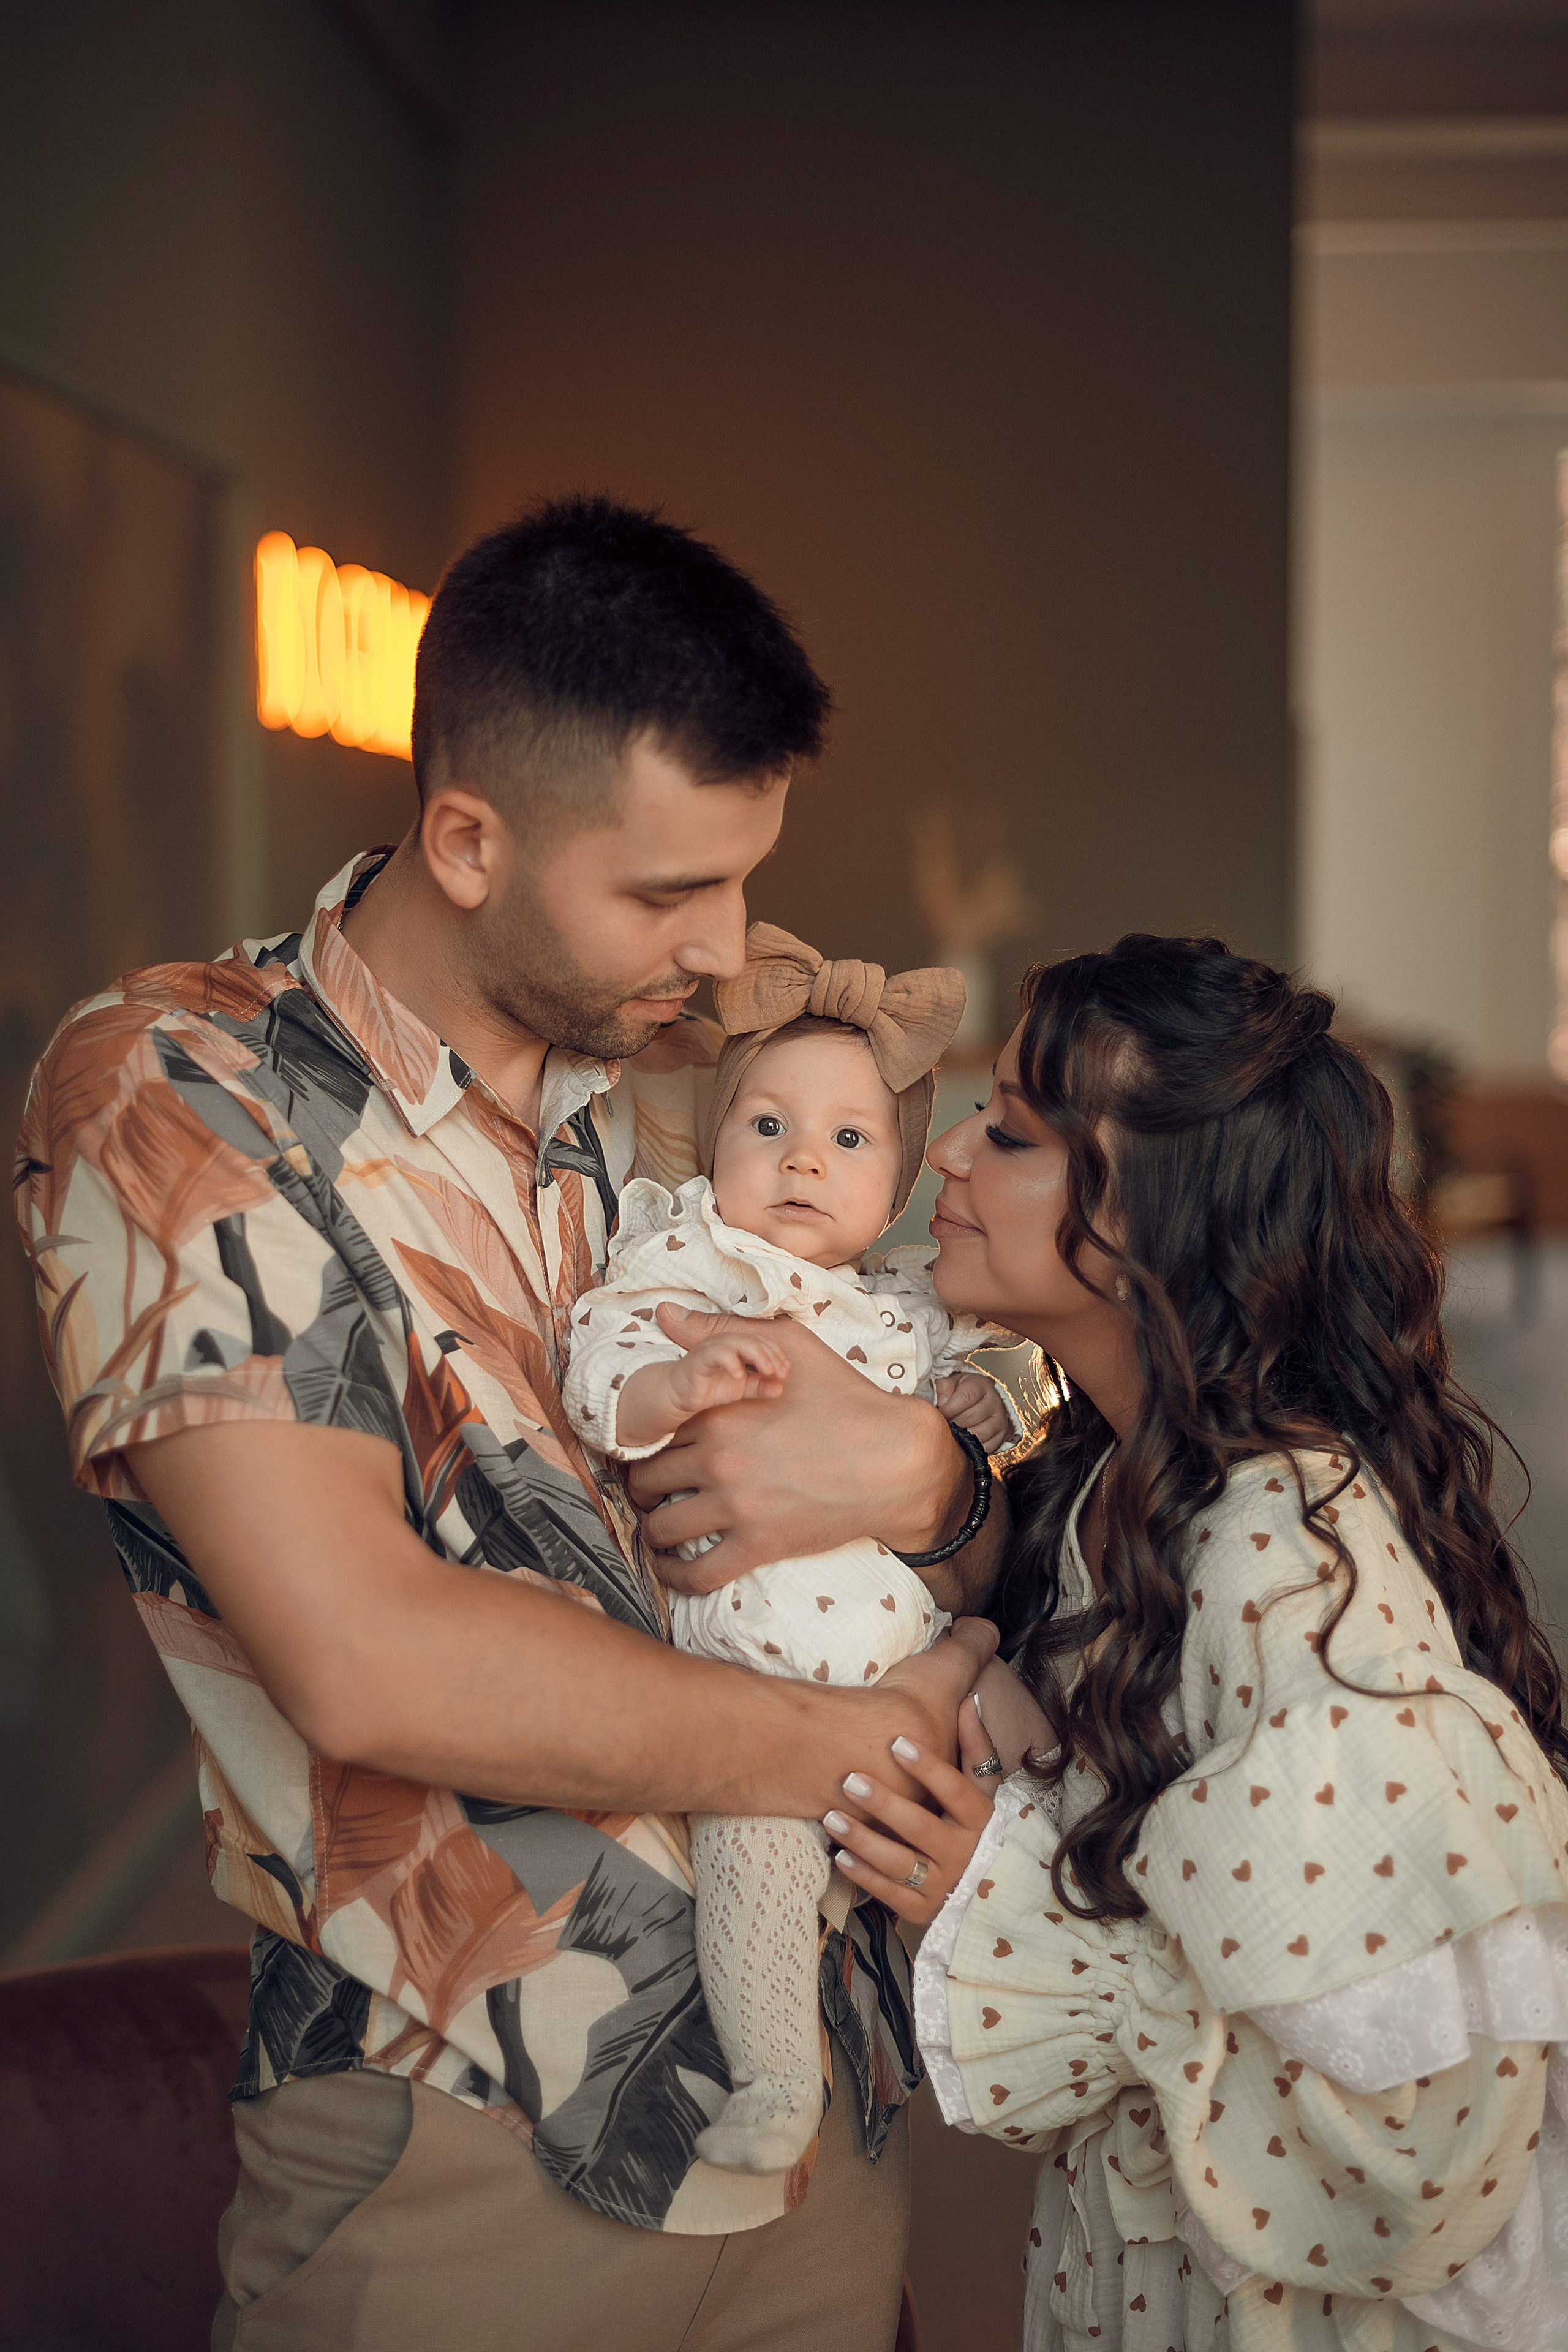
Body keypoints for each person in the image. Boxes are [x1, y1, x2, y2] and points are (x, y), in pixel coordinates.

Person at [14, 495, 1001, 2352]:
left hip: (823, 2101)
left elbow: (970, 1442)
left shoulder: (709, 1102)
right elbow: (367, 1656)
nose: (726, 954)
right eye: (664, 891)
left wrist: (927, 1466)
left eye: (743, 880)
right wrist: (856, 1742)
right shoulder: (184, 1092)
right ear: (465, 839)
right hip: (472, 2144)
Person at [821, 933, 1568, 2351]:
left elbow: (1424, 2142)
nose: (950, 1158)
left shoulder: (1279, 1563)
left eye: (1018, 1134)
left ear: (1160, 1215)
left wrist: (1008, 1904)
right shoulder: (1122, 1483)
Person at [563, 919, 1023, 2174]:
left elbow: (985, 1420)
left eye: (848, 1139)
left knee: (1036, 1759)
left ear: (901, 1181)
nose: (801, 1161)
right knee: (754, 1865)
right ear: (713, 1141)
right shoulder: (685, 1259)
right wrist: (675, 1385)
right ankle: (776, 2079)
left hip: (919, 1666)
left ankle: (1032, 1999)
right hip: (757, 1697)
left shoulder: (910, 1305)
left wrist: (974, 1404)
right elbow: (598, 1360)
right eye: (764, 1126)